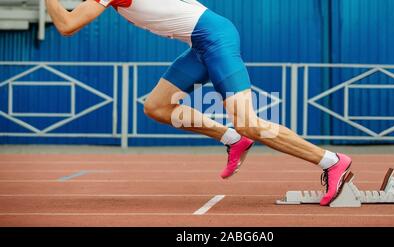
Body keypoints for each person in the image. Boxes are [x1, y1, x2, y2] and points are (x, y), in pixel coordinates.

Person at [45, 0, 352, 206]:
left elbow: (67, 25)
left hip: (215, 38)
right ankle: (232, 139)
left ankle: (331, 161)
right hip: (200, 44)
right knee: (156, 106)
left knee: (249, 121)